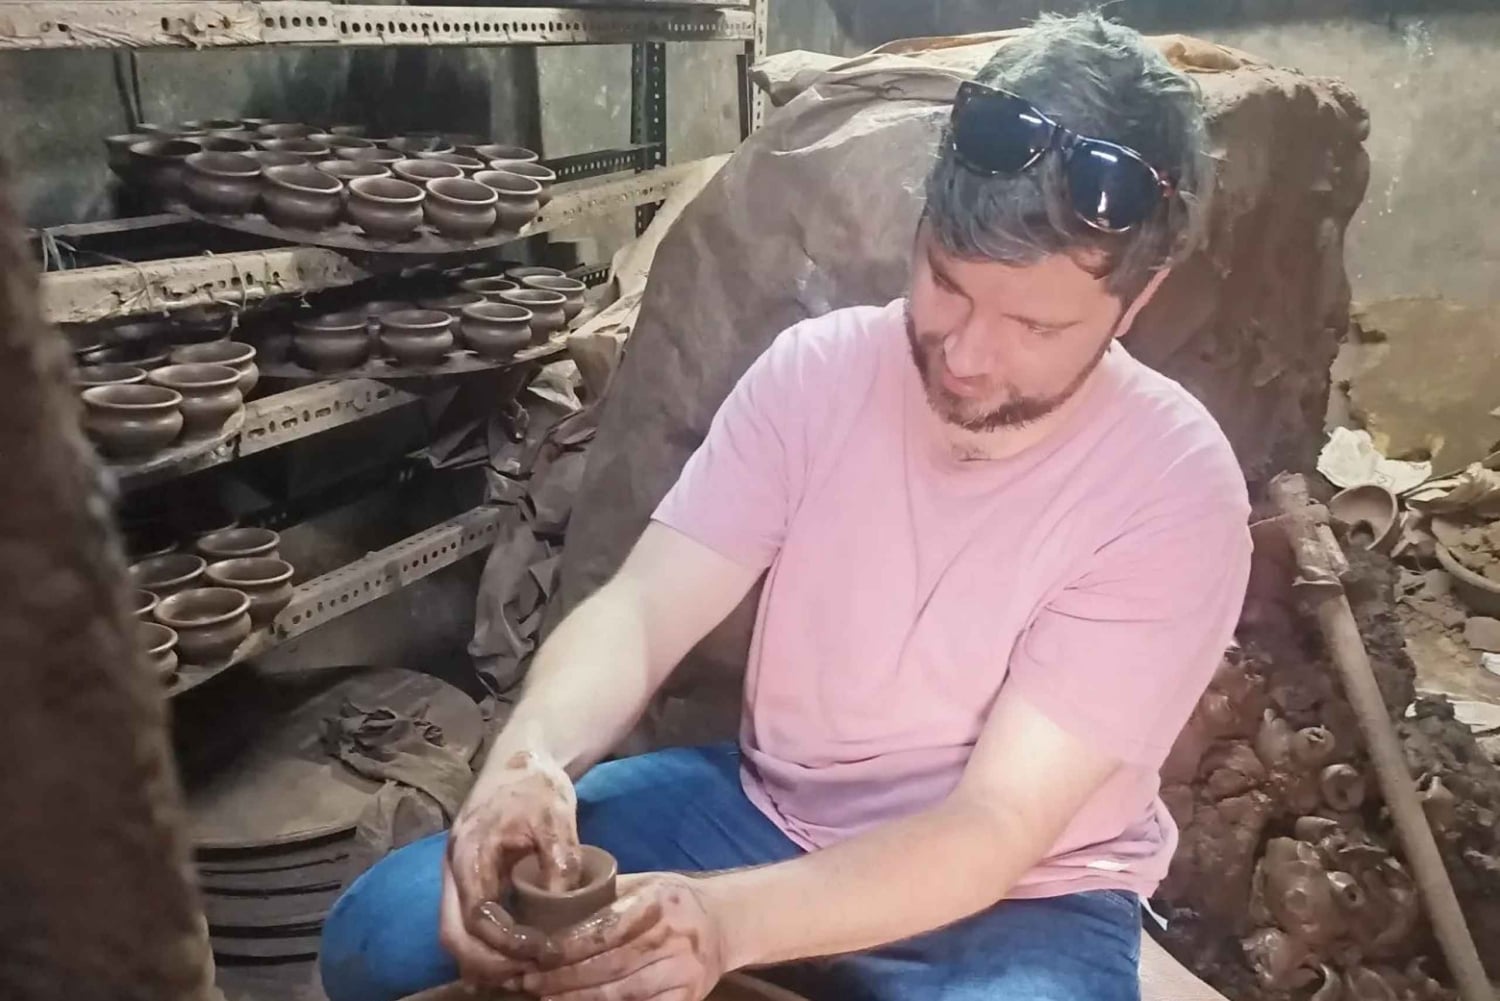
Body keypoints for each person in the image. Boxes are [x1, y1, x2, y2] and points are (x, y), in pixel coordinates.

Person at [320, 13, 1251, 1001]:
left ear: (1138, 300)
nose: (970, 354)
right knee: (384, 935)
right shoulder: (819, 373)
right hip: (771, 810)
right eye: (946, 281)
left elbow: (990, 830)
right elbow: (640, 614)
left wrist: (722, 922)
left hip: (1022, 891)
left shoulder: (1172, 488)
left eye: (1035, 324)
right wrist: (527, 756)